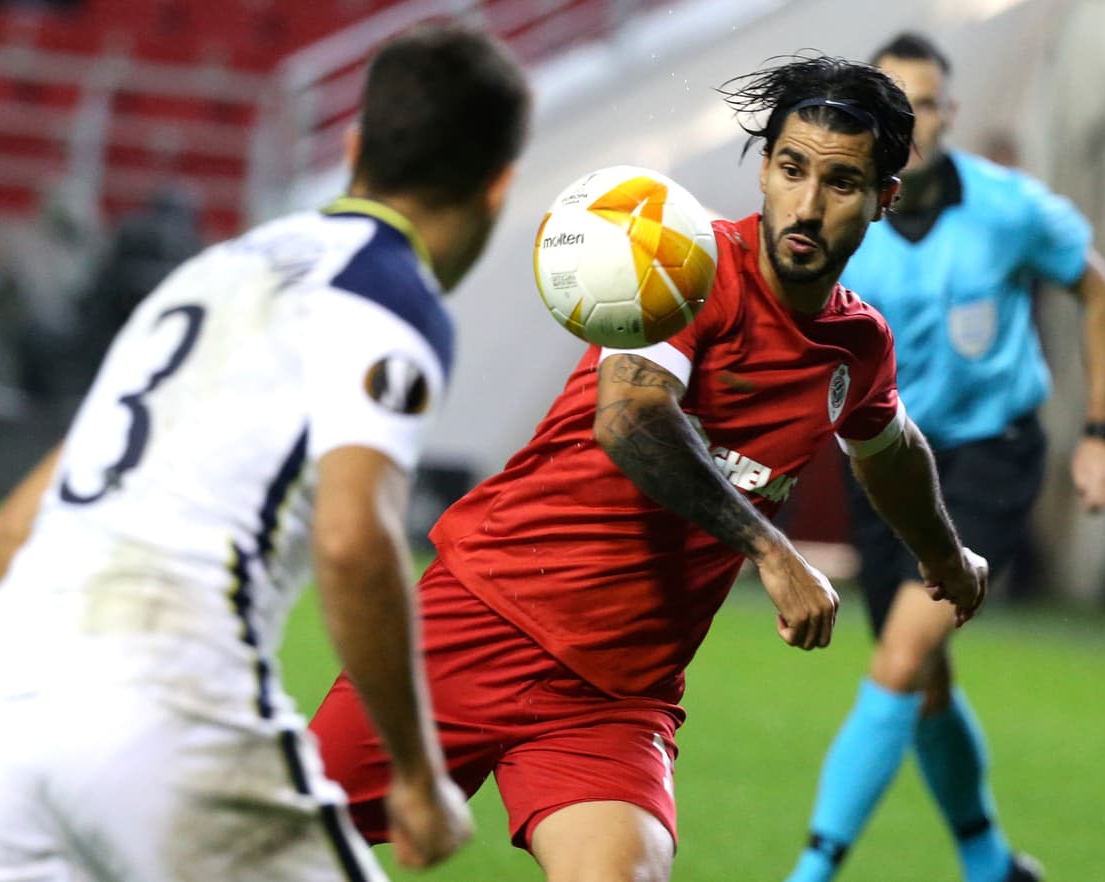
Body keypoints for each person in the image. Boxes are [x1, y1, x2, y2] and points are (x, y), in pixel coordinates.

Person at [310, 54, 990, 882]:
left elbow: (890, 449)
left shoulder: (858, 345)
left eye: (842, 183)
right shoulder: (682, 262)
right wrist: (770, 551)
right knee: (262, 850)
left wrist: (943, 555)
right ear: (766, 168)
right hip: (483, 616)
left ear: (884, 198)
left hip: (616, 695)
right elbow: (631, 416)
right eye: (791, 169)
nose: (807, 205)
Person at [0, 23, 530, 881]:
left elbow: (9, 535)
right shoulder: (385, 292)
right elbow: (352, 542)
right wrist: (416, 775)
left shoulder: (206, 273)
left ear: (353, 145)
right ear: (498, 185)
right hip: (167, 696)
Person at [785, 33, 1105, 882]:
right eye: (890, 103)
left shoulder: (1010, 209)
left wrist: (1101, 433)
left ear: (951, 112)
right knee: (924, 678)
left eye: (926, 102)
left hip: (986, 460)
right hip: (882, 463)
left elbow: (1097, 290)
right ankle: (989, 863)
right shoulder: (838, 218)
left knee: (899, 658)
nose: (913, 118)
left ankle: (812, 870)